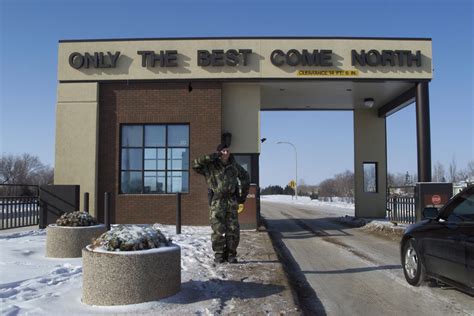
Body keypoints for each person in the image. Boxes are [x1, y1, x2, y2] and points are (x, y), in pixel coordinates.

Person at [192, 143, 250, 263]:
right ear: (219, 153)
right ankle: (219, 253)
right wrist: (213, 156)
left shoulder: (234, 166)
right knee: (218, 228)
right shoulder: (211, 166)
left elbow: (245, 178)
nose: (226, 153)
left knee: (233, 229)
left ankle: (231, 254)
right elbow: (195, 164)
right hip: (217, 201)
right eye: (222, 151)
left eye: (227, 150)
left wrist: (242, 196)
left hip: (231, 200)